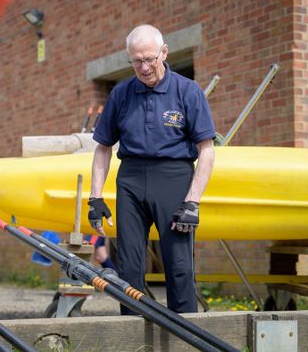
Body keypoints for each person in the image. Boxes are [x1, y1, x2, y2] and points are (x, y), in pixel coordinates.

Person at [88, 24, 216, 315]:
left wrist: (193, 201)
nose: (144, 67)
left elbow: (206, 151)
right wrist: (95, 197)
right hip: (131, 180)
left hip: (174, 180)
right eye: (136, 61)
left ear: (164, 53)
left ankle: (186, 339)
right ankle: (133, 335)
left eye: (149, 59)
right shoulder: (121, 94)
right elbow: (103, 147)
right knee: (129, 267)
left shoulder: (188, 91)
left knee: (179, 266)